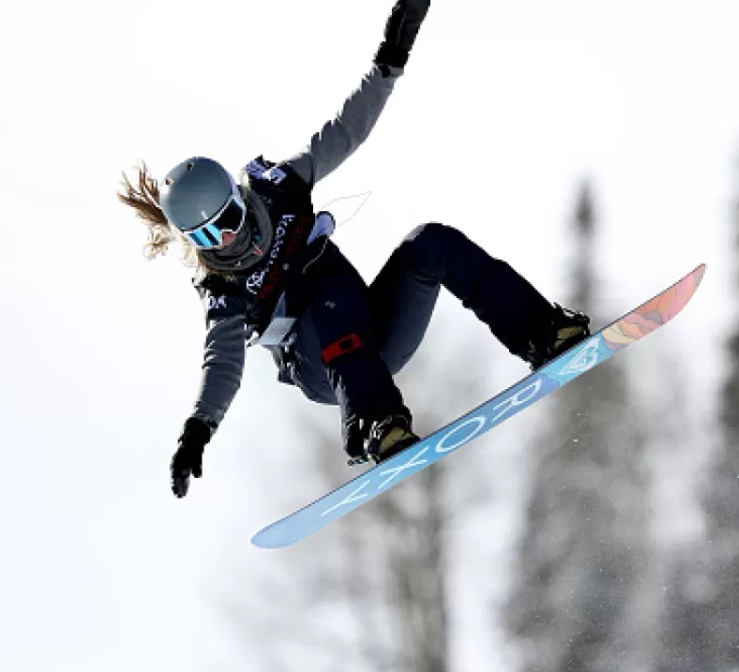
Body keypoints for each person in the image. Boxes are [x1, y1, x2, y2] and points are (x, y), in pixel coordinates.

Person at [117, 0, 591, 499]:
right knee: (327, 301)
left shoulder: (280, 189)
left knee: (430, 243)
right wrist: (199, 429)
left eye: (231, 221)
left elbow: (345, 131)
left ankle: (541, 333)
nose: (230, 241)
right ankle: (372, 424)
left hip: (373, 330)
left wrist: (390, 60)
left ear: (241, 199)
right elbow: (222, 362)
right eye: (210, 238)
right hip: (323, 366)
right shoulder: (223, 289)